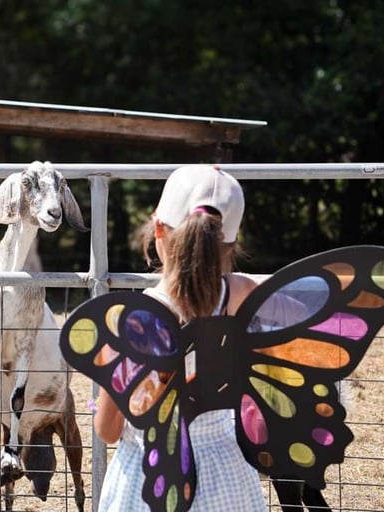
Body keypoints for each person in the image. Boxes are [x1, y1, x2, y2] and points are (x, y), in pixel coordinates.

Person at [93, 164, 267, 511]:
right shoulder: (245, 295)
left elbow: (108, 430)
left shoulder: (132, 321)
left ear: (158, 228)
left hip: (149, 476)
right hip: (227, 473)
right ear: (231, 244)